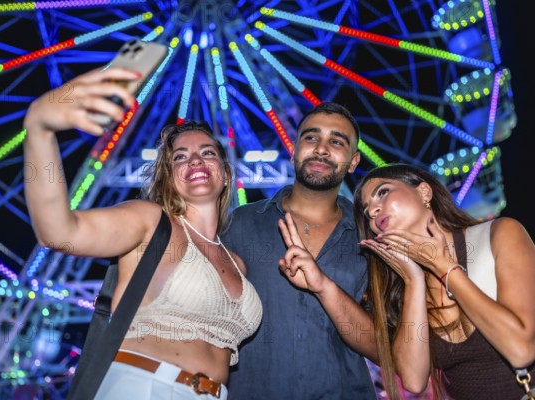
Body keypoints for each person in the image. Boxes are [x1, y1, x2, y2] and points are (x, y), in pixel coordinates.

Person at [23, 67, 262, 400]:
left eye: (207, 153)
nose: (195, 160)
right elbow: (60, 232)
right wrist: (39, 130)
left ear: (224, 174)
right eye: (181, 156)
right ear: (168, 178)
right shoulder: (150, 222)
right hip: (145, 387)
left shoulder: (237, 263)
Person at [221, 102, 378, 400]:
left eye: (336, 142)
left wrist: (325, 288)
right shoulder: (238, 225)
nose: (321, 148)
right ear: (293, 149)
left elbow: (385, 349)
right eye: (311, 137)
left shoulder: (372, 237)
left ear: (354, 161)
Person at [353, 163, 535, 400]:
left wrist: (444, 267)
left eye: (383, 192)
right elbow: (413, 380)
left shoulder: (500, 234)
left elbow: (521, 350)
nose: (374, 210)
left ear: (424, 192)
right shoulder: (406, 287)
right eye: (367, 212)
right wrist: (414, 280)